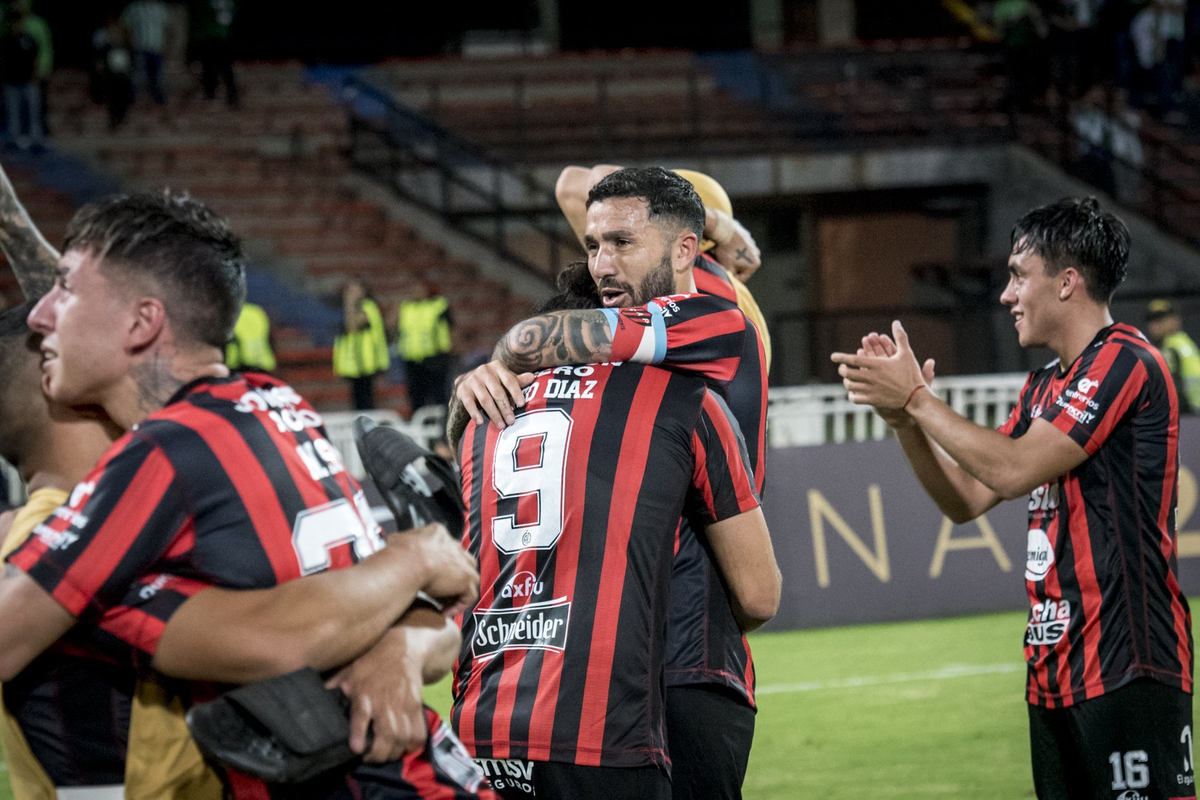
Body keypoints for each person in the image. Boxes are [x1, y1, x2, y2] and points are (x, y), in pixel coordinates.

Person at [0, 190, 491, 798]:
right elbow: (421, 604)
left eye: (65, 290)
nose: (42, 313)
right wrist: (409, 578)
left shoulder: (161, 455)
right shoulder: (274, 406)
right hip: (428, 774)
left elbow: (8, 631)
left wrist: (409, 574)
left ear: (143, 322)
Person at [831, 197, 1193, 799]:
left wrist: (920, 399)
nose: (1006, 294)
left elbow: (1015, 469)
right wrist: (904, 423)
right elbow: (968, 497)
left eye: (1019, 275)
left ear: (1067, 282)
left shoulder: (1127, 361)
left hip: (1129, 663)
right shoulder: (1043, 386)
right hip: (1054, 671)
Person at [460, 166, 771, 799]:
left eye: (622, 243)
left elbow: (577, 183)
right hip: (617, 653)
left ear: (688, 246)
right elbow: (581, 186)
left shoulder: (719, 314)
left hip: (659, 646)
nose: (603, 260)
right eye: (595, 245)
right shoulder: (621, 343)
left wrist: (505, 360)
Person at [397, 280, 455, 411]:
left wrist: (453, 349)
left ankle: (443, 426)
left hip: (435, 358)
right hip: (412, 360)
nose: (415, 292)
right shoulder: (406, 307)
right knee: (416, 397)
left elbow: (451, 328)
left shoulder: (438, 305)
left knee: (438, 396)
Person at [334, 279, 390, 410]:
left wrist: (349, 304)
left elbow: (353, 327)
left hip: (367, 362)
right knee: (358, 400)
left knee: (366, 401)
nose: (351, 293)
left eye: (354, 290)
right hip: (354, 363)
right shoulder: (348, 311)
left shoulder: (368, 307)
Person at [1146, 297, 1200, 413]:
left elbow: (1173, 389)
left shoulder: (1169, 349)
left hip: (1187, 414)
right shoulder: (1185, 341)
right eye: (1152, 320)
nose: (1155, 325)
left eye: (1161, 320)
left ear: (1175, 320)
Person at [1, 4, 43, 152]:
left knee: (33, 113)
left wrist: (35, 76)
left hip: (29, 81)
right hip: (12, 82)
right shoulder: (6, 41)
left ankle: (36, 140)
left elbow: (35, 58)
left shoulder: (29, 39)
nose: (17, 26)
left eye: (19, 22)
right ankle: (13, 141)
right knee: (14, 115)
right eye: (14, 23)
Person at [187, 0, 238, 109]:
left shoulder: (209, 4)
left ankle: (217, 95)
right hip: (219, 36)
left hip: (214, 36)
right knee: (219, 69)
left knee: (215, 69)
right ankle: (220, 95)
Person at [121, 0, 170, 107]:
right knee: (138, 76)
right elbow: (126, 28)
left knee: (157, 76)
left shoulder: (159, 8)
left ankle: (157, 100)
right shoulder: (134, 8)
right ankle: (133, 100)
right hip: (140, 48)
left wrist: (165, 46)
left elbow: (166, 28)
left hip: (157, 47)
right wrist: (130, 44)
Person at [225, 299, 276, 372]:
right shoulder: (256, 311)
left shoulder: (223, 314)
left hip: (236, 367)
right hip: (263, 366)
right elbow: (270, 340)